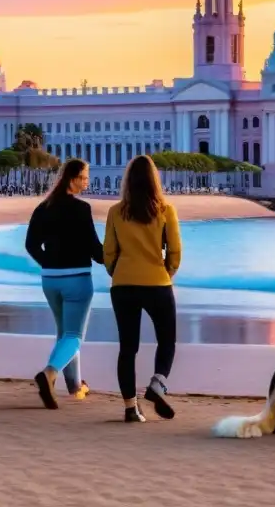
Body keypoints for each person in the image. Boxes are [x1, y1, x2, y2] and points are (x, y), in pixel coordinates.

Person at [103, 154, 182, 423]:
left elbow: (109, 252)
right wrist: (167, 271)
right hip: (157, 283)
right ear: (154, 180)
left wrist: (118, 271)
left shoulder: (115, 211)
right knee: (167, 340)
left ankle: (130, 408)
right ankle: (157, 384)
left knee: (128, 348)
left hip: (123, 285)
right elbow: (175, 251)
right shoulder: (165, 210)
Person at [24, 158, 104, 410]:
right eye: (84, 177)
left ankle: (75, 386)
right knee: (74, 335)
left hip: (50, 280)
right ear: (72, 179)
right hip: (77, 279)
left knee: (64, 334)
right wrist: (115, 256)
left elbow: (30, 245)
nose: (87, 182)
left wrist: (49, 262)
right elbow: (95, 250)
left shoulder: (43, 207)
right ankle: (49, 373)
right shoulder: (82, 209)